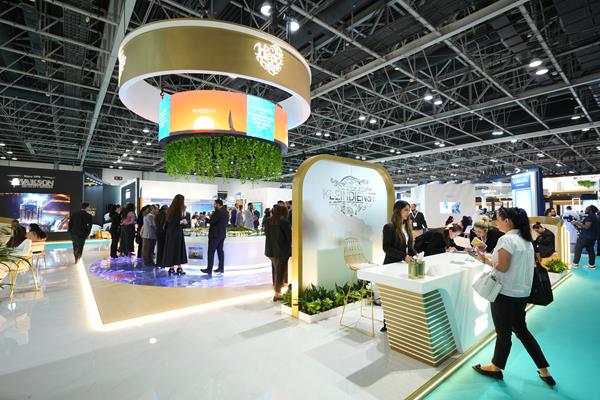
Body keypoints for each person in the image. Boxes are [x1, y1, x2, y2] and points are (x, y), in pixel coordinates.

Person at [472, 207, 555, 387]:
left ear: (507, 221)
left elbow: (502, 267)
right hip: (522, 294)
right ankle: (544, 371)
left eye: (498, 219)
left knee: (503, 334)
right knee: (522, 332)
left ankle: (495, 367)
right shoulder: (526, 240)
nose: (496, 223)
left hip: (505, 294)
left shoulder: (507, 239)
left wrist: (483, 258)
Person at [380, 200, 415, 332]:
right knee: (390, 297)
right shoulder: (389, 227)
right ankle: (387, 324)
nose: (408, 213)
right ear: (398, 211)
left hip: (403, 267)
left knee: (402, 297)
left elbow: (409, 248)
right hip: (391, 266)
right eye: (405, 210)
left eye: (408, 210)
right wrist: (404, 256)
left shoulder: (407, 227)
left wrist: (416, 254)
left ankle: (400, 323)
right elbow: (387, 248)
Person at [264, 204, 292, 301]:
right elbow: (289, 237)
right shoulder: (284, 222)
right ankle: (277, 293)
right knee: (280, 272)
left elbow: (266, 234)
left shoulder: (267, 221)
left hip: (270, 250)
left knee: (278, 270)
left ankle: (279, 290)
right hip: (281, 251)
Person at [162, 195, 188, 275]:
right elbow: (177, 222)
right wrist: (183, 222)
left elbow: (169, 223)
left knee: (171, 250)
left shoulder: (170, 210)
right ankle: (179, 267)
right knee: (178, 250)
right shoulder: (178, 210)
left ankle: (172, 268)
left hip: (170, 233)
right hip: (177, 233)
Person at [202, 199, 228, 275]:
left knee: (211, 252)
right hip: (222, 234)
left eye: (215, 204)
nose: (214, 205)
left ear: (218, 204)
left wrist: (205, 218)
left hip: (215, 235)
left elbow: (212, 221)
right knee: (220, 252)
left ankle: (209, 269)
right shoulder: (225, 212)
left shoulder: (218, 212)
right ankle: (221, 268)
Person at [572, 205, 598, 269]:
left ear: (590, 210)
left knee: (578, 249)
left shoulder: (590, 216)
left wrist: (577, 223)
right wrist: (578, 225)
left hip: (585, 237)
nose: (585, 210)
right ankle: (591, 265)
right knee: (590, 250)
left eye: (587, 209)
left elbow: (587, 226)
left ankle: (575, 264)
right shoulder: (596, 216)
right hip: (592, 237)